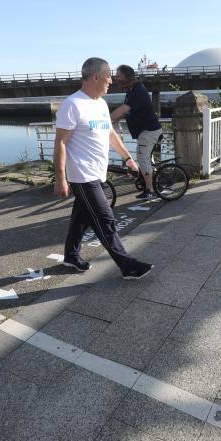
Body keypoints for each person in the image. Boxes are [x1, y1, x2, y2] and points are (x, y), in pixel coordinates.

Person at [54, 57, 153, 280]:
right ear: (96, 76)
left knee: (82, 217)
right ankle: (127, 265)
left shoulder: (99, 103)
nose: (112, 81)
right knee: (104, 218)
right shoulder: (72, 104)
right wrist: (60, 178)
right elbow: (60, 142)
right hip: (82, 175)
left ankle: (71, 256)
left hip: (98, 172)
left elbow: (110, 134)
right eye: (109, 76)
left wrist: (127, 158)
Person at [110, 65, 163, 200]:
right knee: (146, 159)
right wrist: (112, 120)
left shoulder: (138, 91)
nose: (116, 78)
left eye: (118, 75)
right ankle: (156, 183)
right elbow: (125, 112)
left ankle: (150, 190)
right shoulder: (131, 89)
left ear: (127, 76)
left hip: (148, 131)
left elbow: (123, 109)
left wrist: (105, 121)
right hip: (145, 131)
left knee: (142, 159)